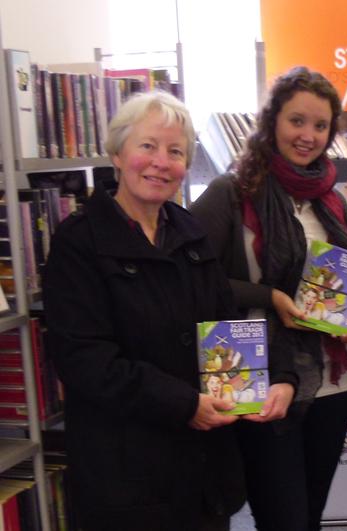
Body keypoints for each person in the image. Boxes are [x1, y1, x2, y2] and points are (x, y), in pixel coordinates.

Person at [43, 91, 274, 530]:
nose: (160, 162)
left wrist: (265, 381)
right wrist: (184, 403)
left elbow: (223, 326)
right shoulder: (79, 244)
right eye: (147, 146)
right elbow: (84, 361)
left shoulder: (188, 230)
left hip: (202, 471)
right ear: (117, 152)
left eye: (175, 152)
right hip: (127, 476)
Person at [190, 66, 347, 531]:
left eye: (320, 125)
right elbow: (188, 279)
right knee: (282, 519)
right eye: (296, 121)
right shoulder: (232, 192)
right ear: (272, 123)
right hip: (257, 376)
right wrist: (270, 296)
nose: (308, 135)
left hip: (331, 381)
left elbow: (342, 281)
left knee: (309, 517)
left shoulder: (333, 200)